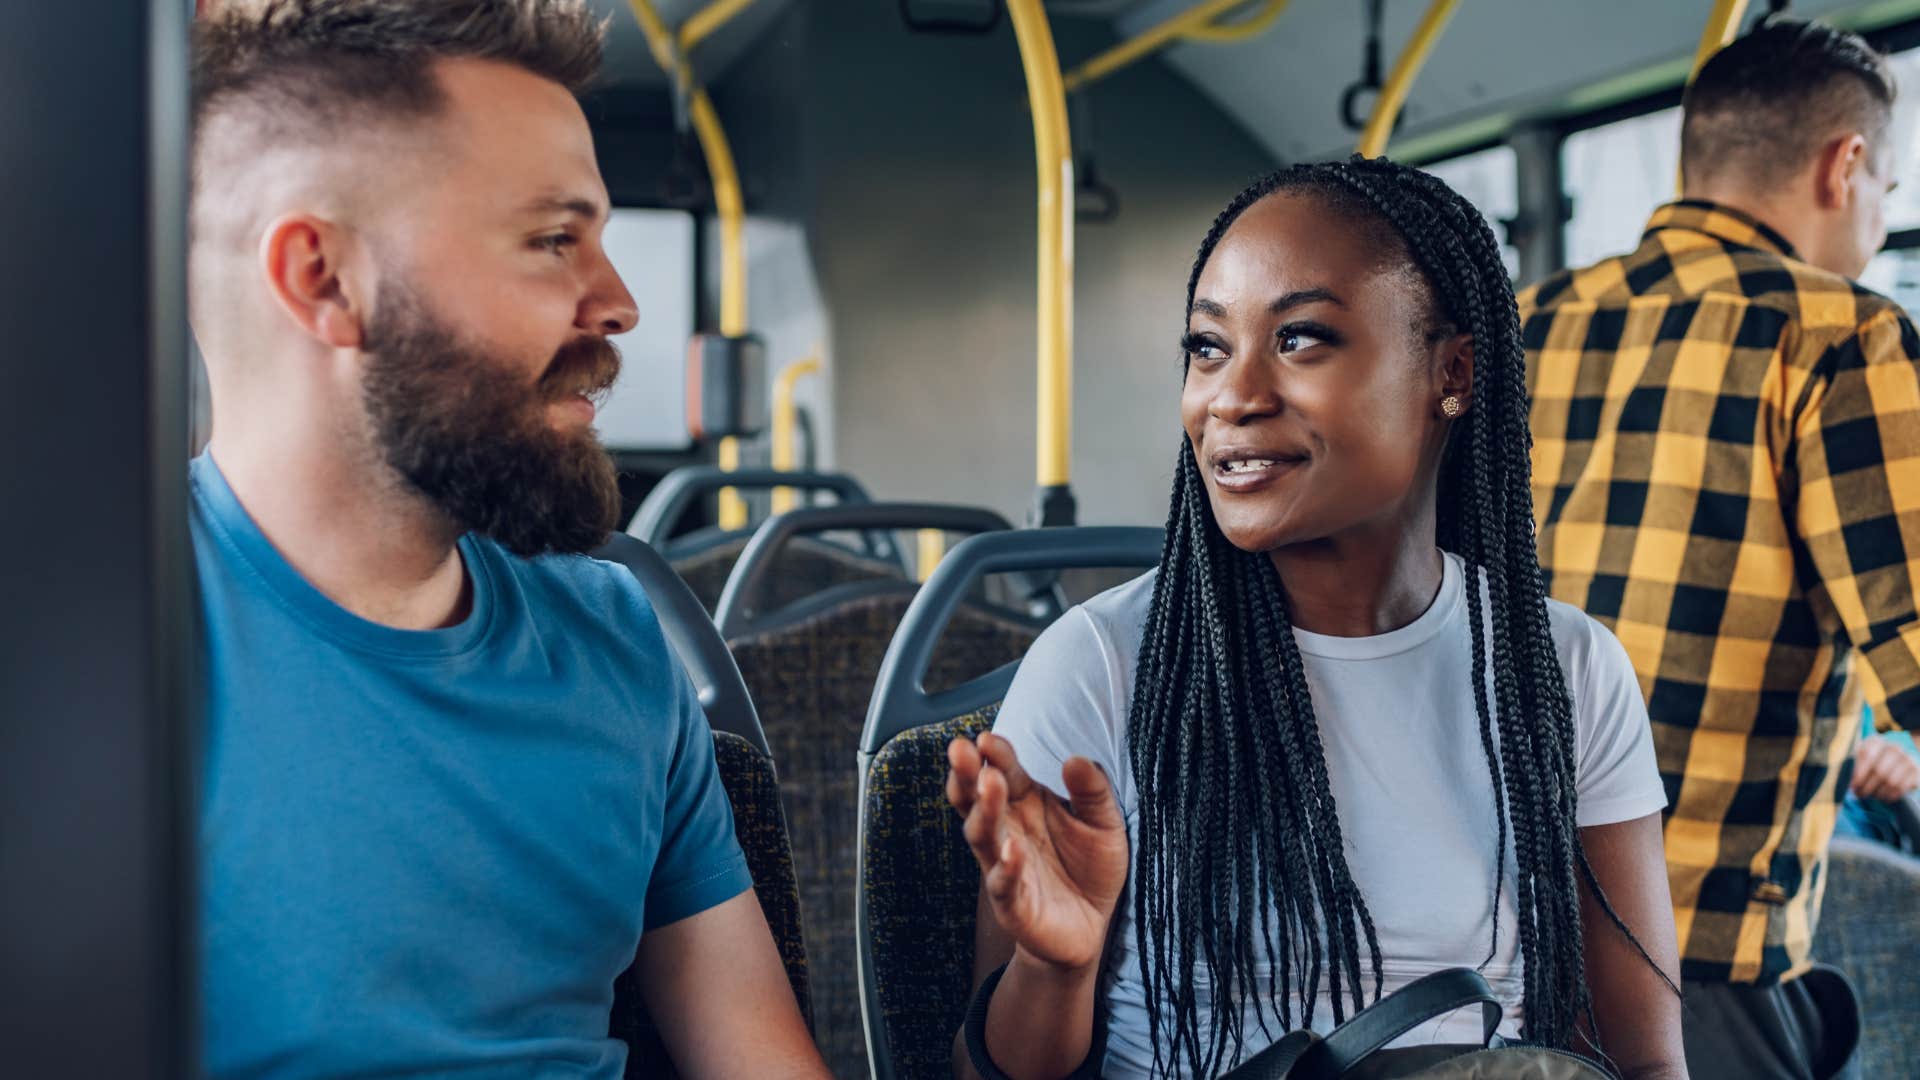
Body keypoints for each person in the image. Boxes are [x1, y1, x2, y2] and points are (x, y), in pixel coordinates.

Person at [187, 2, 827, 1076]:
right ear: (324, 280)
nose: (619, 305)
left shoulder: (616, 640)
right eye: (552, 241)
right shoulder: (81, 653)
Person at [947, 159, 1688, 1080]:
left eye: (1299, 339)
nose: (1232, 396)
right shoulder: (1103, 664)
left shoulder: (1565, 669)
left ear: (1452, 372)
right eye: (1208, 347)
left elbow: (1642, 1063)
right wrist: (1055, 967)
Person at [1521, 16, 1920, 1079]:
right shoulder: (1842, 337)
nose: (1880, 222)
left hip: (1494, 921)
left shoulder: (1524, 320)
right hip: (1694, 940)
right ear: (1844, 166)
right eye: (1887, 191)